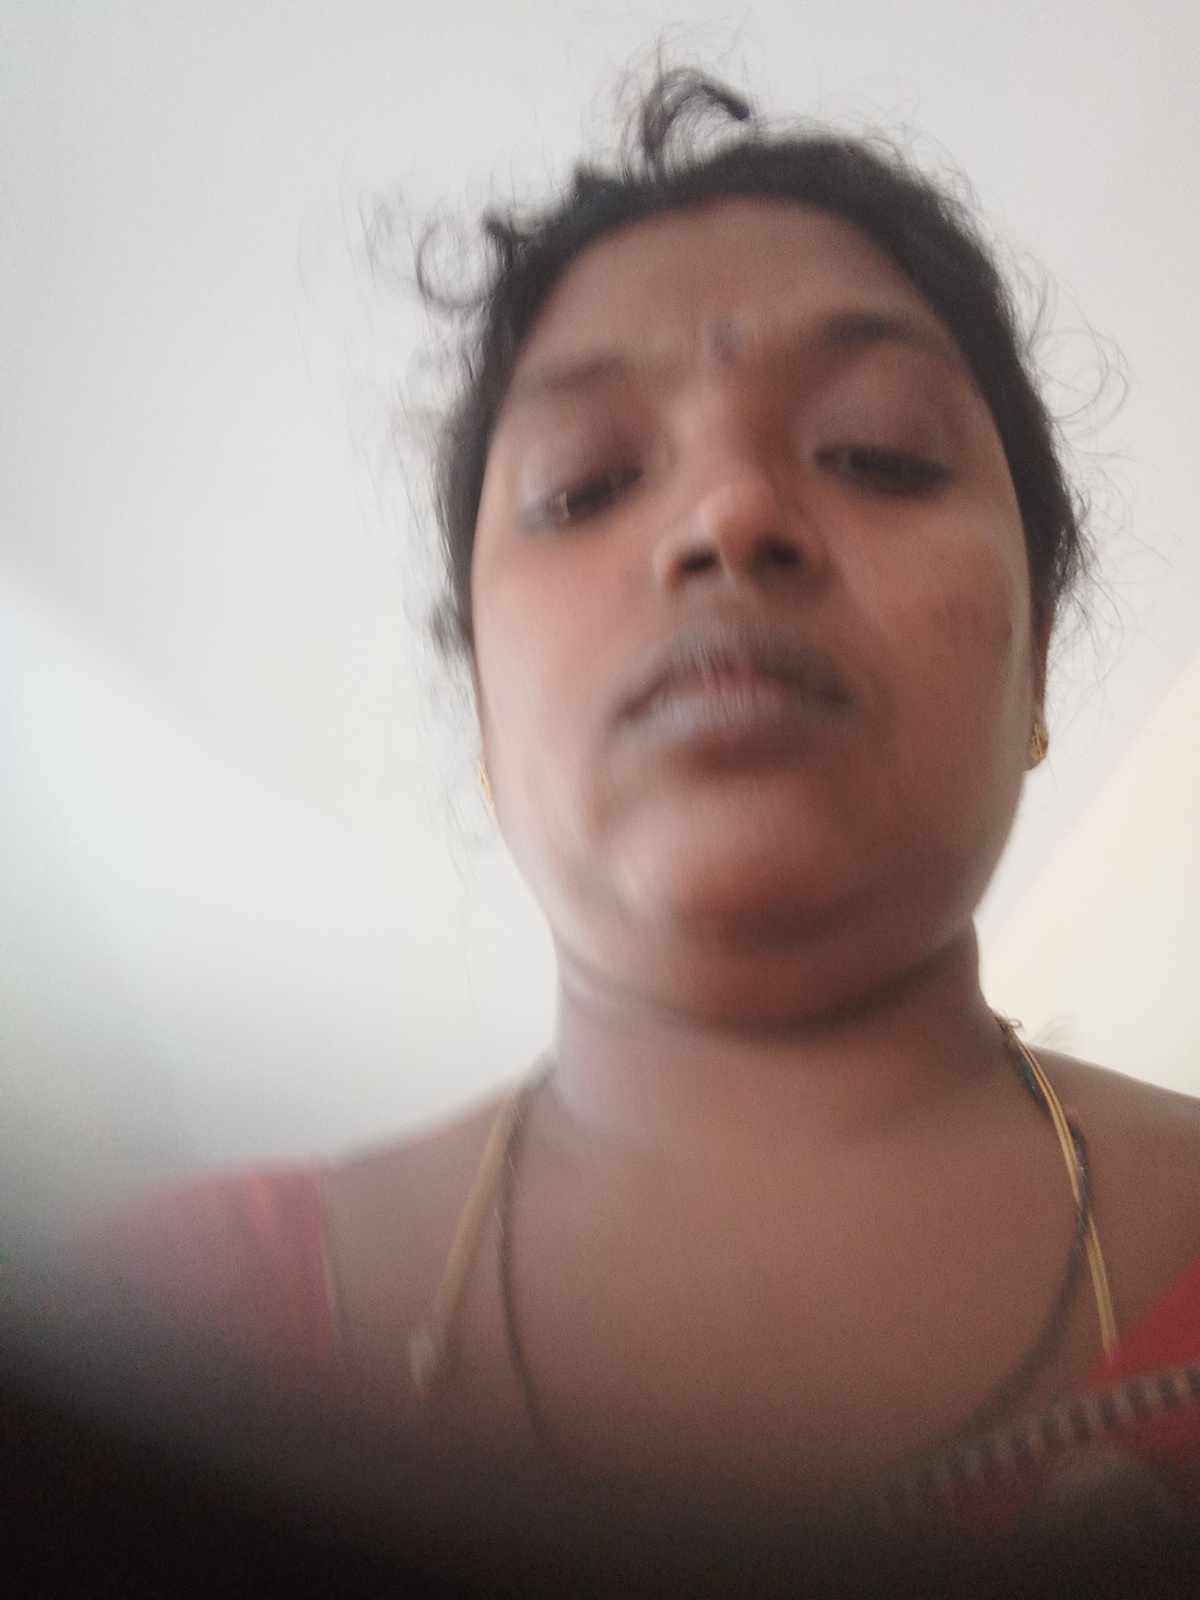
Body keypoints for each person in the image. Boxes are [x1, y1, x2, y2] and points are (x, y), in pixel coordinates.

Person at [75, 68, 1200, 1554]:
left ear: (1038, 656)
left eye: (877, 454)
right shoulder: (148, 1331)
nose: (729, 516)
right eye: (587, 484)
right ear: (484, 709)